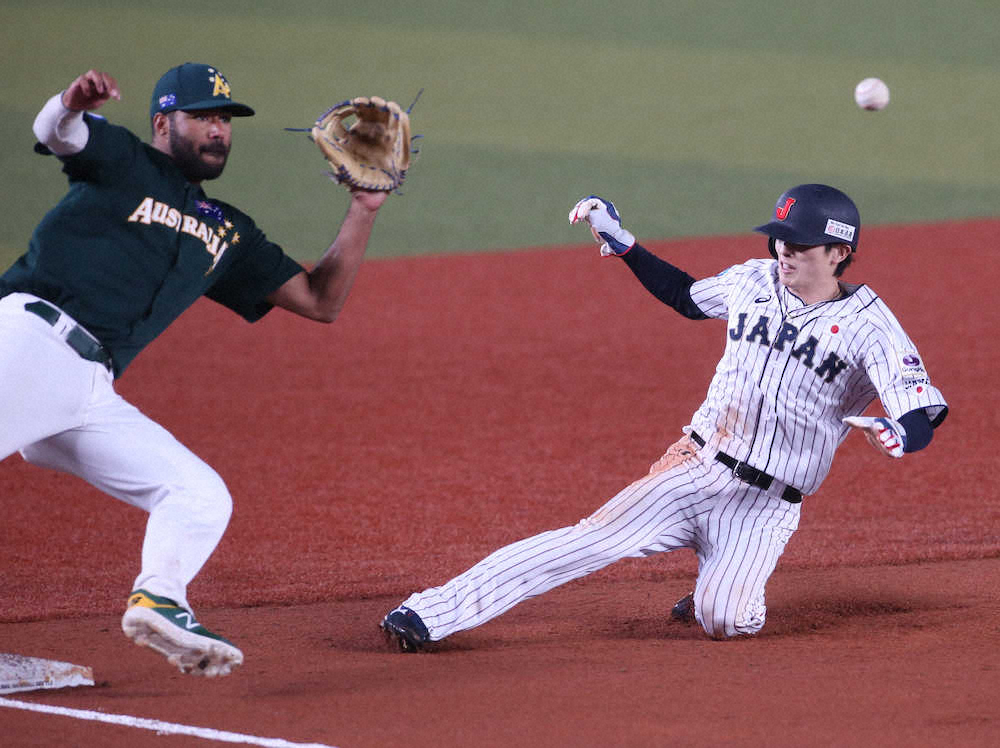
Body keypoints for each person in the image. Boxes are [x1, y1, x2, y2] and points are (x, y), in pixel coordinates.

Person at [380, 185, 948, 651]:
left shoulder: (872, 326)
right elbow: (685, 295)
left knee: (726, 621)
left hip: (767, 505)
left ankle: (712, 585)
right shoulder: (753, 280)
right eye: (779, 238)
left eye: (799, 243)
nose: (784, 251)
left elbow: (919, 407)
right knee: (592, 540)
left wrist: (902, 435)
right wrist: (624, 244)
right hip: (698, 464)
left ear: (838, 253)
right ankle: (431, 612)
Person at [0, 65, 388, 676]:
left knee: (198, 495)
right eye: (203, 116)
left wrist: (364, 209)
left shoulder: (226, 231)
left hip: (85, 386)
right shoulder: (122, 161)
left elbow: (321, 301)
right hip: (30, 341)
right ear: (162, 122)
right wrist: (71, 101)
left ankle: (159, 601)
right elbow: (59, 132)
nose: (217, 131)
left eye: (224, 120)